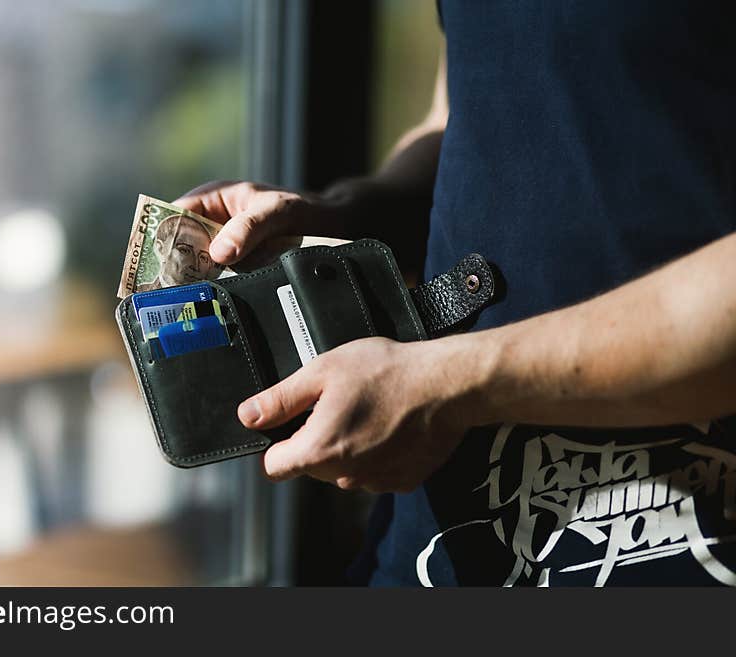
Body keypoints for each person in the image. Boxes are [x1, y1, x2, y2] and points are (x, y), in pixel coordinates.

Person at [176, 1, 736, 586]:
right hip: (440, 540)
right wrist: (346, 215)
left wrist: (453, 384)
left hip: (679, 541)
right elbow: (467, 109)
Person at [138, 213, 221, 291]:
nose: (196, 266)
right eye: (184, 250)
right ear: (160, 249)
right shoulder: (138, 293)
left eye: (203, 257)